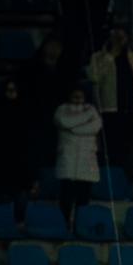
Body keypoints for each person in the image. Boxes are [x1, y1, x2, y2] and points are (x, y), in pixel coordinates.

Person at [88, 26, 133, 171]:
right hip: (109, 111)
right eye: (116, 36)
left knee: (129, 151)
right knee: (111, 150)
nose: (119, 40)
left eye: (122, 36)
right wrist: (110, 56)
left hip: (131, 111)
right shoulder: (98, 57)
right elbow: (94, 77)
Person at [0, 78, 36, 225]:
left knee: (21, 193)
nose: (11, 93)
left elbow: (30, 139)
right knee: (3, 196)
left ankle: (19, 224)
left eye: (14, 90)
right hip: (2, 158)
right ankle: (4, 227)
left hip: (21, 160)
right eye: (8, 90)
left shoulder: (26, 110)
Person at [19, 36, 73, 168]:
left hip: (58, 118)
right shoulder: (31, 68)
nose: (54, 49)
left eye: (57, 46)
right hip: (36, 117)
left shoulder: (65, 71)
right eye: (51, 45)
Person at [53, 85, 102, 229]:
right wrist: (86, 119)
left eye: (80, 96)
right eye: (75, 96)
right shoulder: (61, 109)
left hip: (86, 163)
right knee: (66, 199)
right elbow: (64, 122)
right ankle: (63, 227)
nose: (78, 99)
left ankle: (80, 227)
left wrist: (73, 129)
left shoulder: (92, 110)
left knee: (83, 200)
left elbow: (96, 126)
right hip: (67, 161)